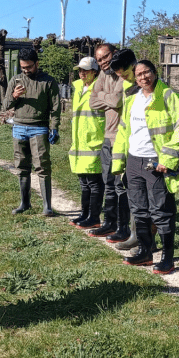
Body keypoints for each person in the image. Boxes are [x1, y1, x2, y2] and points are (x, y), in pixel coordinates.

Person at [111, 60, 179, 273]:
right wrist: (119, 162)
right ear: (134, 78)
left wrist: (168, 159)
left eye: (147, 73)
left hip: (156, 162)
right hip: (134, 162)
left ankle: (167, 257)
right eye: (139, 75)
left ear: (155, 73)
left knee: (161, 210)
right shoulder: (131, 99)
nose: (143, 77)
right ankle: (144, 252)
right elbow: (123, 132)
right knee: (139, 209)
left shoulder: (169, 96)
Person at [4, 47, 61, 216]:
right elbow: (6, 105)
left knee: (42, 167)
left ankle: (47, 206)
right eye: (23, 68)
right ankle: (24, 203)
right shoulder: (15, 80)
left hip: (39, 128)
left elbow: (56, 108)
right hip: (19, 128)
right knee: (22, 167)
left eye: (29, 67)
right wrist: (14, 96)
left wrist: (55, 127)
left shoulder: (48, 82)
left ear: (37, 63)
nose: (26, 70)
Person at [88, 43, 131, 239]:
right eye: (99, 59)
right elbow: (92, 101)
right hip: (108, 136)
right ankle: (109, 222)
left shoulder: (124, 74)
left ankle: (124, 227)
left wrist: (104, 97)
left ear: (114, 54)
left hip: (123, 138)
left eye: (106, 57)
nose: (103, 62)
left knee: (121, 185)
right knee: (108, 183)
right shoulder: (103, 76)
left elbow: (116, 102)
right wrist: (109, 97)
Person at [106, 48, 145, 250]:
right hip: (132, 152)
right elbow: (125, 127)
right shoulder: (130, 91)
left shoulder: (153, 89)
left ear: (134, 66)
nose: (125, 80)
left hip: (150, 154)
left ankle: (147, 242)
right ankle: (135, 236)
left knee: (151, 203)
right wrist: (119, 159)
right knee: (135, 198)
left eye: (126, 75)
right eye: (121, 77)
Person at [68, 56, 105, 229]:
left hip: (95, 141)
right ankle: (85, 213)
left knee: (94, 182)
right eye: (80, 70)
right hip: (79, 141)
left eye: (85, 70)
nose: (81, 73)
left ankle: (94, 216)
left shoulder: (100, 88)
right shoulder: (78, 88)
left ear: (95, 72)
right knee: (84, 181)